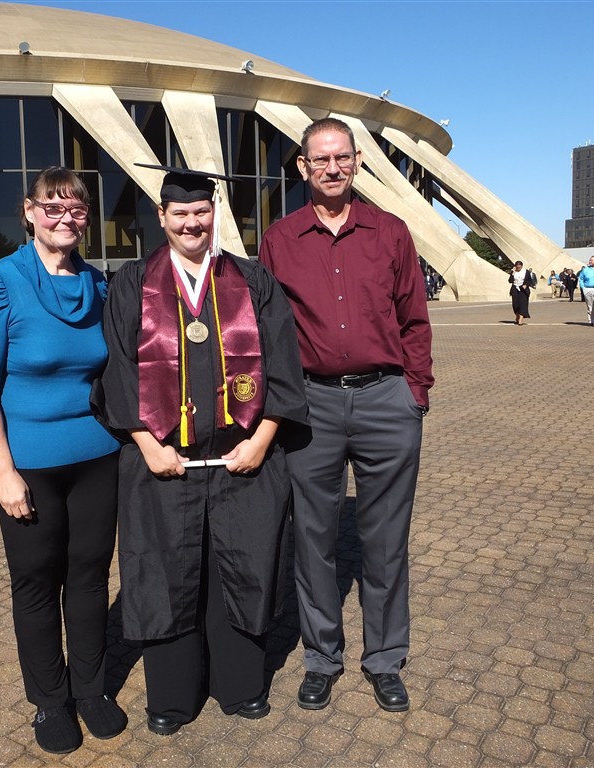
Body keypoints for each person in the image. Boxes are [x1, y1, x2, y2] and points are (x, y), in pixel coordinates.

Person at [100, 165, 308, 736]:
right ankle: (172, 697)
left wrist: (261, 442)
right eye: (180, 213)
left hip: (243, 462)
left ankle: (239, 685)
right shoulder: (133, 282)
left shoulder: (252, 279)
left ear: (214, 214)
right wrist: (146, 445)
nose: (192, 222)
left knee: (243, 565)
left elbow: (284, 366)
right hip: (161, 463)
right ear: (162, 217)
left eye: (201, 211)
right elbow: (118, 370)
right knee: (163, 571)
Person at [259, 117, 433, 714]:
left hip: (387, 400)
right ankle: (321, 658)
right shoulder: (280, 239)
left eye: (342, 157)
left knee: (386, 542)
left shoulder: (391, 232)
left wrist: (415, 393)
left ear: (357, 161)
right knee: (313, 539)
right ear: (303, 167)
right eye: (320, 159)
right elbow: (268, 330)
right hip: (312, 404)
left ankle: (384, 659)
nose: (332, 168)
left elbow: (414, 318)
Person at [0, 167, 125, 755]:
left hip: (98, 459)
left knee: (89, 579)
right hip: (27, 465)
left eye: (76, 208)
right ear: (29, 212)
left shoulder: (98, 284)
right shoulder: (0, 280)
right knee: (35, 582)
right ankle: (50, 701)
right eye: (53, 207)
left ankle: (91, 689)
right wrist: (4, 473)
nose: (65, 218)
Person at [508, 260, 532, 326]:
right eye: (517, 267)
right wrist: (512, 273)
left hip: (523, 289)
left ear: (522, 266)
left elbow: (530, 280)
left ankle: (520, 320)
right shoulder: (513, 272)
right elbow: (510, 281)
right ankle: (517, 316)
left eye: (519, 267)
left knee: (523, 304)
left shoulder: (526, 272)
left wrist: (526, 285)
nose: (518, 268)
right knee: (515, 305)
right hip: (515, 288)